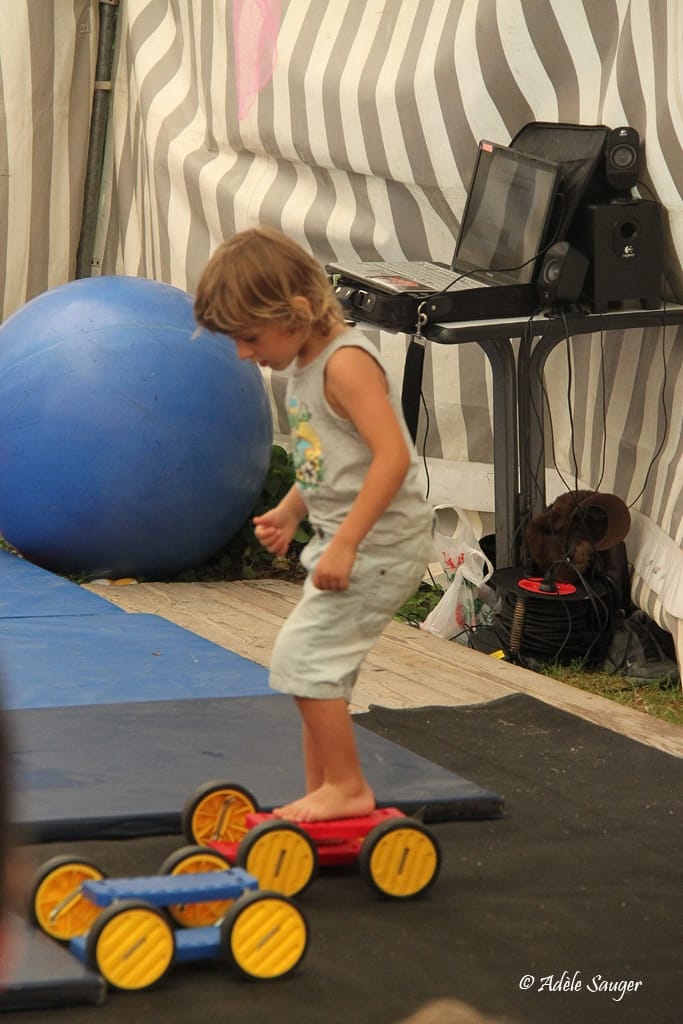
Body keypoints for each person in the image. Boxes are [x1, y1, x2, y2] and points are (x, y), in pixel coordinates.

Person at [194, 226, 433, 822]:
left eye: (250, 337)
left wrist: (346, 544)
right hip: (350, 541)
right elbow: (331, 457)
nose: (244, 354)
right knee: (319, 670)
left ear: (297, 311)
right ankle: (323, 792)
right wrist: (291, 508)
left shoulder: (345, 364)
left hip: (380, 545)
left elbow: (393, 457)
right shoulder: (303, 360)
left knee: (304, 660)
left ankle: (346, 787)